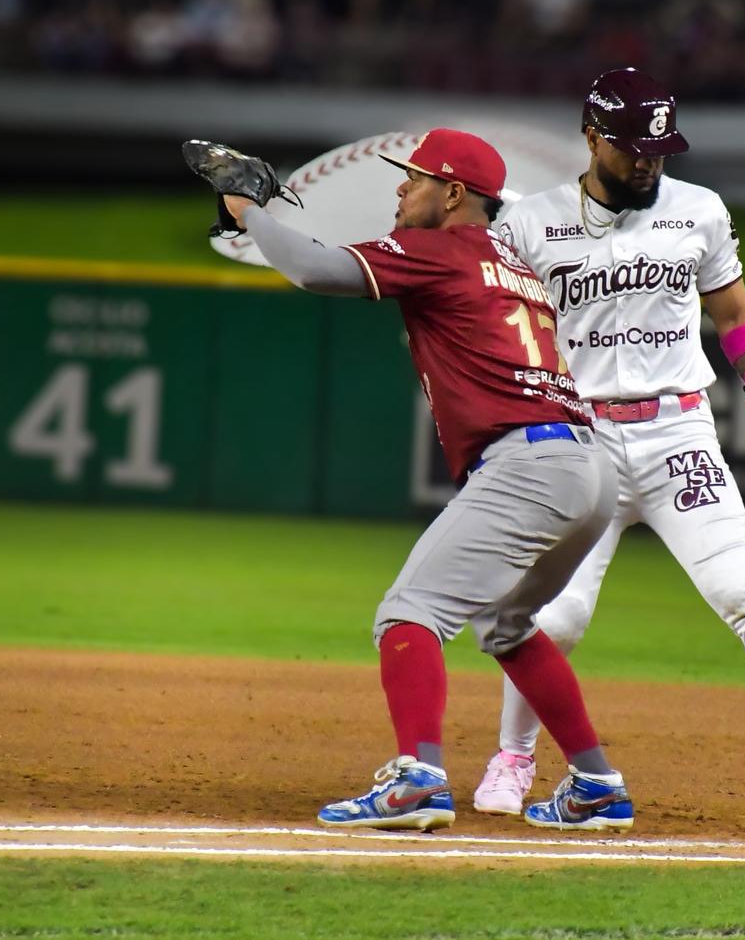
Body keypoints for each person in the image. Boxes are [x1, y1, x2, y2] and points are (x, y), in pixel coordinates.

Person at [216, 128, 633, 832]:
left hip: (528, 462)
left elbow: (319, 272)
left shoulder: (439, 248)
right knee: (506, 625)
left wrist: (248, 213)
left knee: (408, 613)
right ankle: (596, 785)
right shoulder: (511, 261)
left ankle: (417, 780)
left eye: (415, 179)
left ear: (454, 194)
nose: (402, 189)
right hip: (589, 467)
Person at [473, 68, 745, 816]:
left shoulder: (700, 211)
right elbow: (490, 323)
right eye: (630, 148)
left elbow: (736, 311)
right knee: (556, 616)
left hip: (678, 431)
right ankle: (512, 757)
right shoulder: (529, 224)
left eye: (660, 148)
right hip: (578, 437)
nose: (649, 161)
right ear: (591, 137)